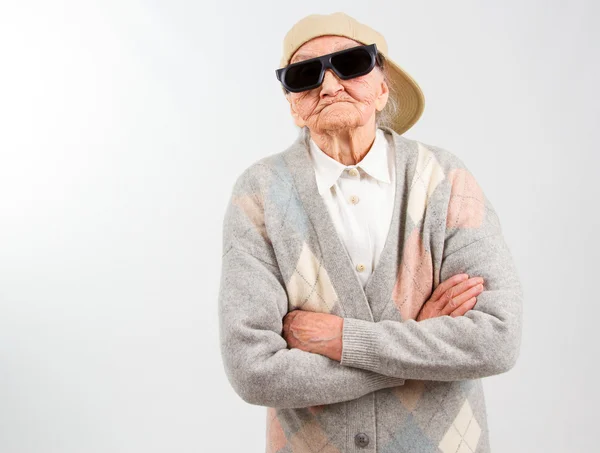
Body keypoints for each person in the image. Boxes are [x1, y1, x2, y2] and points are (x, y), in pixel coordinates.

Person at [218, 11, 523, 453]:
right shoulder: (259, 194)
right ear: (292, 104)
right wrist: (418, 344)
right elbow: (253, 370)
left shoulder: (446, 180)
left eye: (352, 64)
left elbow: (497, 338)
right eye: (305, 75)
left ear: (383, 89)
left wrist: (342, 340)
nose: (328, 85)